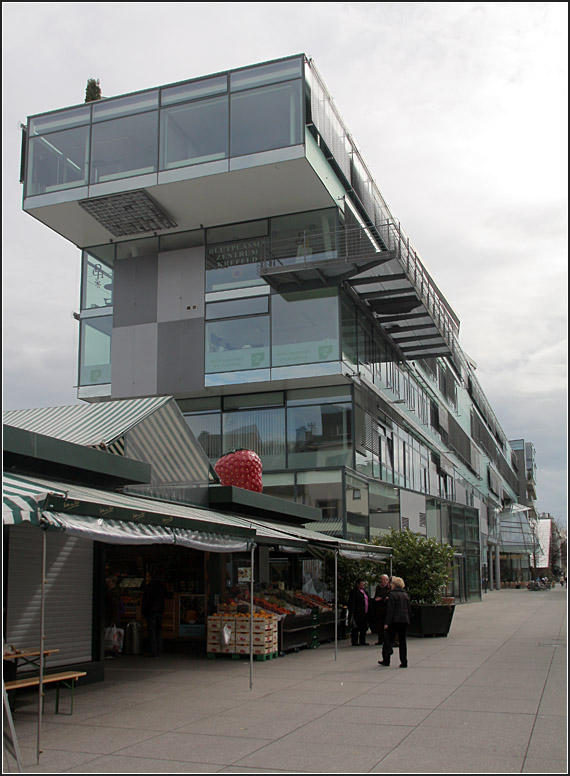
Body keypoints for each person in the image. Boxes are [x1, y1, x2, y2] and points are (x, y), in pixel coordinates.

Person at [378, 576, 411, 668]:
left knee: (388, 640)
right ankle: (404, 661)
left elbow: (390, 610)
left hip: (394, 620)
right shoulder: (405, 595)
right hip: (404, 620)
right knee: (402, 641)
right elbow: (408, 609)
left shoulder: (392, 595)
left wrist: (386, 623)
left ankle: (386, 659)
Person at [141, 571, 170, 657]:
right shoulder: (161, 587)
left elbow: (145, 600)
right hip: (160, 610)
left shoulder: (149, 587)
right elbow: (168, 595)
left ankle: (153, 651)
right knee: (158, 630)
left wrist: (144, 611)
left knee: (152, 631)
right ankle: (159, 649)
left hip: (151, 611)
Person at [347, 579, 370, 646]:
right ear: (358, 584)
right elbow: (352, 602)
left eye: (363, 583)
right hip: (357, 612)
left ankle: (362, 640)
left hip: (365, 612)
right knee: (356, 627)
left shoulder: (365, 592)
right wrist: (352, 611)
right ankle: (354, 641)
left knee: (364, 627)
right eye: (361, 583)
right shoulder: (354, 592)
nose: (363, 585)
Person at [369, 574, 391, 645]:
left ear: (387, 581)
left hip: (386, 609)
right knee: (379, 625)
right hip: (379, 610)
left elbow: (388, 598)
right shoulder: (378, 588)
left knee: (387, 625)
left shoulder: (389, 588)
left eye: (384, 580)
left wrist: (382, 598)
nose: (382, 581)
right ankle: (380, 639)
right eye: (381, 579)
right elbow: (376, 598)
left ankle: (387, 639)